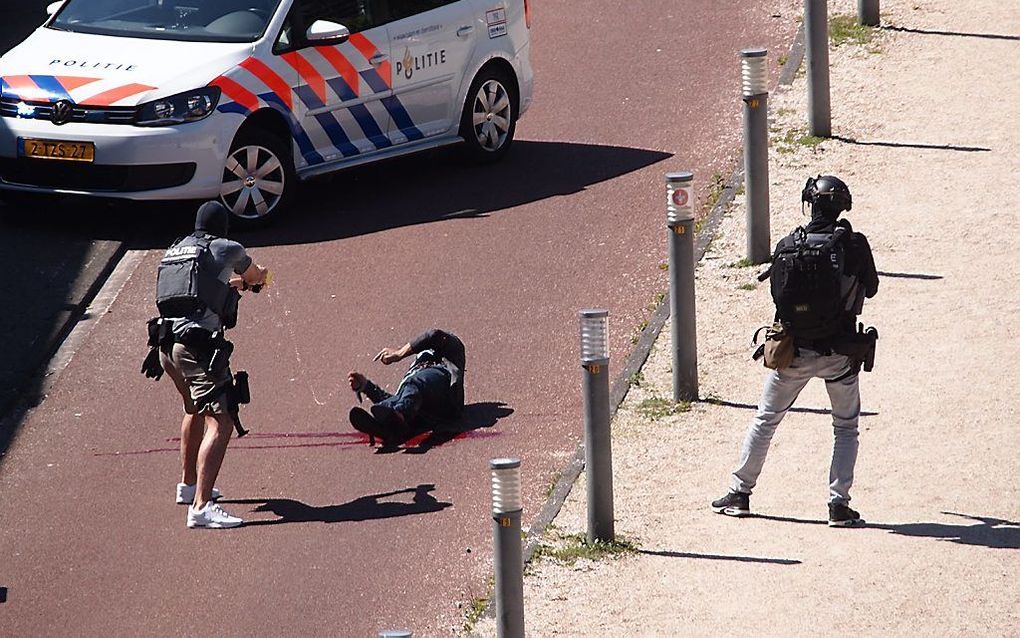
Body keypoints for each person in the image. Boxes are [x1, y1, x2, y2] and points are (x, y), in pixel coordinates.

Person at [712, 175, 879, 527]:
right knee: (846, 427)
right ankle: (838, 505)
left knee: (766, 420)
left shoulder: (789, 243)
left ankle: (740, 493)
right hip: (840, 353)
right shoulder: (854, 244)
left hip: (793, 354)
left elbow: (777, 296)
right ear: (841, 207)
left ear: (810, 204)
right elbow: (873, 289)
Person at [153, 201, 269, 529]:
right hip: (197, 348)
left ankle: (188, 487)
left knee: (193, 410)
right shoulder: (228, 247)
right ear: (225, 227)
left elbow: (199, 291)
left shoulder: (178, 250)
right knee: (221, 420)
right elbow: (254, 275)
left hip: (165, 346)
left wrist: (234, 287)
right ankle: (202, 508)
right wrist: (259, 279)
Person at [347, 329, 466, 447]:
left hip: (443, 393)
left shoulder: (450, 352)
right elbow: (401, 399)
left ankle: (398, 421)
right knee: (394, 401)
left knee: (412, 385)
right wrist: (366, 386)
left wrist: (400, 353)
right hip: (422, 413)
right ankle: (387, 430)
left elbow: (433, 335)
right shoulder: (414, 375)